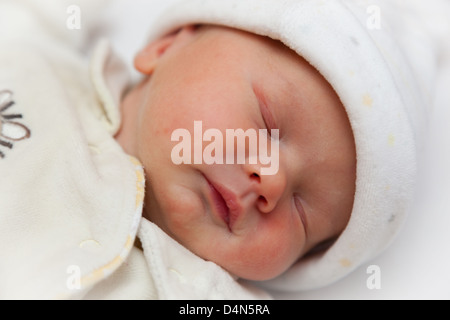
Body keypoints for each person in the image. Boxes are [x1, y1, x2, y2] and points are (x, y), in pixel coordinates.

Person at [0, 0, 448, 299]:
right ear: (166, 46)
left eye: (302, 212)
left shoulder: (207, 296)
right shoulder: (37, 52)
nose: (271, 180)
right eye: (269, 122)